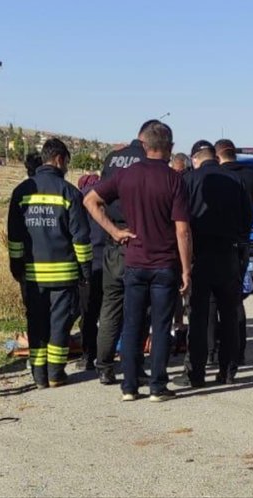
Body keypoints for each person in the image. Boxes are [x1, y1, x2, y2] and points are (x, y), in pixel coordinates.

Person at [84, 121, 191, 402]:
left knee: (130, 324)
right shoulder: (174, 179)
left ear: (144, 146)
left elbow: (90, 201)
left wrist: (115, 231)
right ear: (169, 147)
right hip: (165, 264)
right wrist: (187, 270)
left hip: (134, 261)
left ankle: (129, 386)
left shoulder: (125, 175)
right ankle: (157, 385)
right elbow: (182, 229)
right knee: (160, 324)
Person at [7, 139, 93, 388]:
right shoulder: (69, 193)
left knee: (36, 324)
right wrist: (85, 270)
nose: (66, 165)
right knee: (59, 324)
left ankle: (39, 376)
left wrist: (16, 265)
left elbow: (14, 235)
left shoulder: (21, 192)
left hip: (32, 276)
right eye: (66, 160)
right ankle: (56, 373)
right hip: (63, 276)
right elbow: (80, 238)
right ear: (58, 159)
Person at [175, 140, 253, 387]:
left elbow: (181, 221)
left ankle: (195, 374)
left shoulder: (189, 180)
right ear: (215, 157)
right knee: (229, 315)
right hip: (229, 254)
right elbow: (248, 218)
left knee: (198, 316)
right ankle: (228, 371)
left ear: (196, 158)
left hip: (200, 255)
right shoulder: (235, 180)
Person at [92, 120, 158, 385]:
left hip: (114, 240)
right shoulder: (148, 160)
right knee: (140, 309)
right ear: (150, 140)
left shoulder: (113, 158)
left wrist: (111, 230)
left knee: (110, 307)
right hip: (140, 242)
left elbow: (95, 199)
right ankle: (135, 365)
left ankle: (104, 367)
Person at [214, 139, 253, 365]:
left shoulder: (217, 176)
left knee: (212, 302)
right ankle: (238, 351)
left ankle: (212, 351)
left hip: (216, 245)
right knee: (236, 299)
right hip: (242, 244)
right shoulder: (249, 176)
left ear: (218, 155)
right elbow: (252, 210)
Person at [77, 172, 104, 372]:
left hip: (89, 262)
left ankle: (88, 355)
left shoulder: (80, 199)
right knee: (110, 313)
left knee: (88, 313)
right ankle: (106, 356)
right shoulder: (109, 196)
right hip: (111, 260)